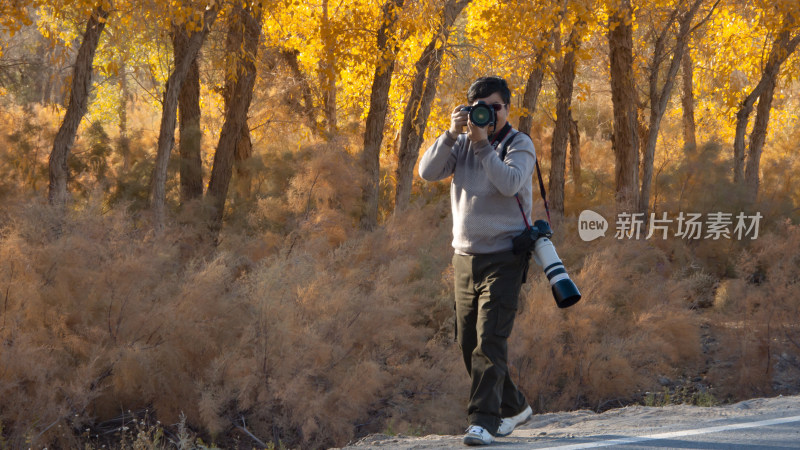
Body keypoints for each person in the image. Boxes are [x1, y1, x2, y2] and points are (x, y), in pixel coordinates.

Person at [418, 76, 535, 446]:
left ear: (506, 109)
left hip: (504, 256)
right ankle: (514, 407)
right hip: (465, 257)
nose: (488, 114)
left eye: (495, 107)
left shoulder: (519, 144)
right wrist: (452, 134)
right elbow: (427, 172)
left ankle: (483, 421)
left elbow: (510, 183)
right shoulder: (463, 143)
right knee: (468, 343)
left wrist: (484, 145)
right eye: (480, 107)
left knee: (490, 339)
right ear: (469, 109)